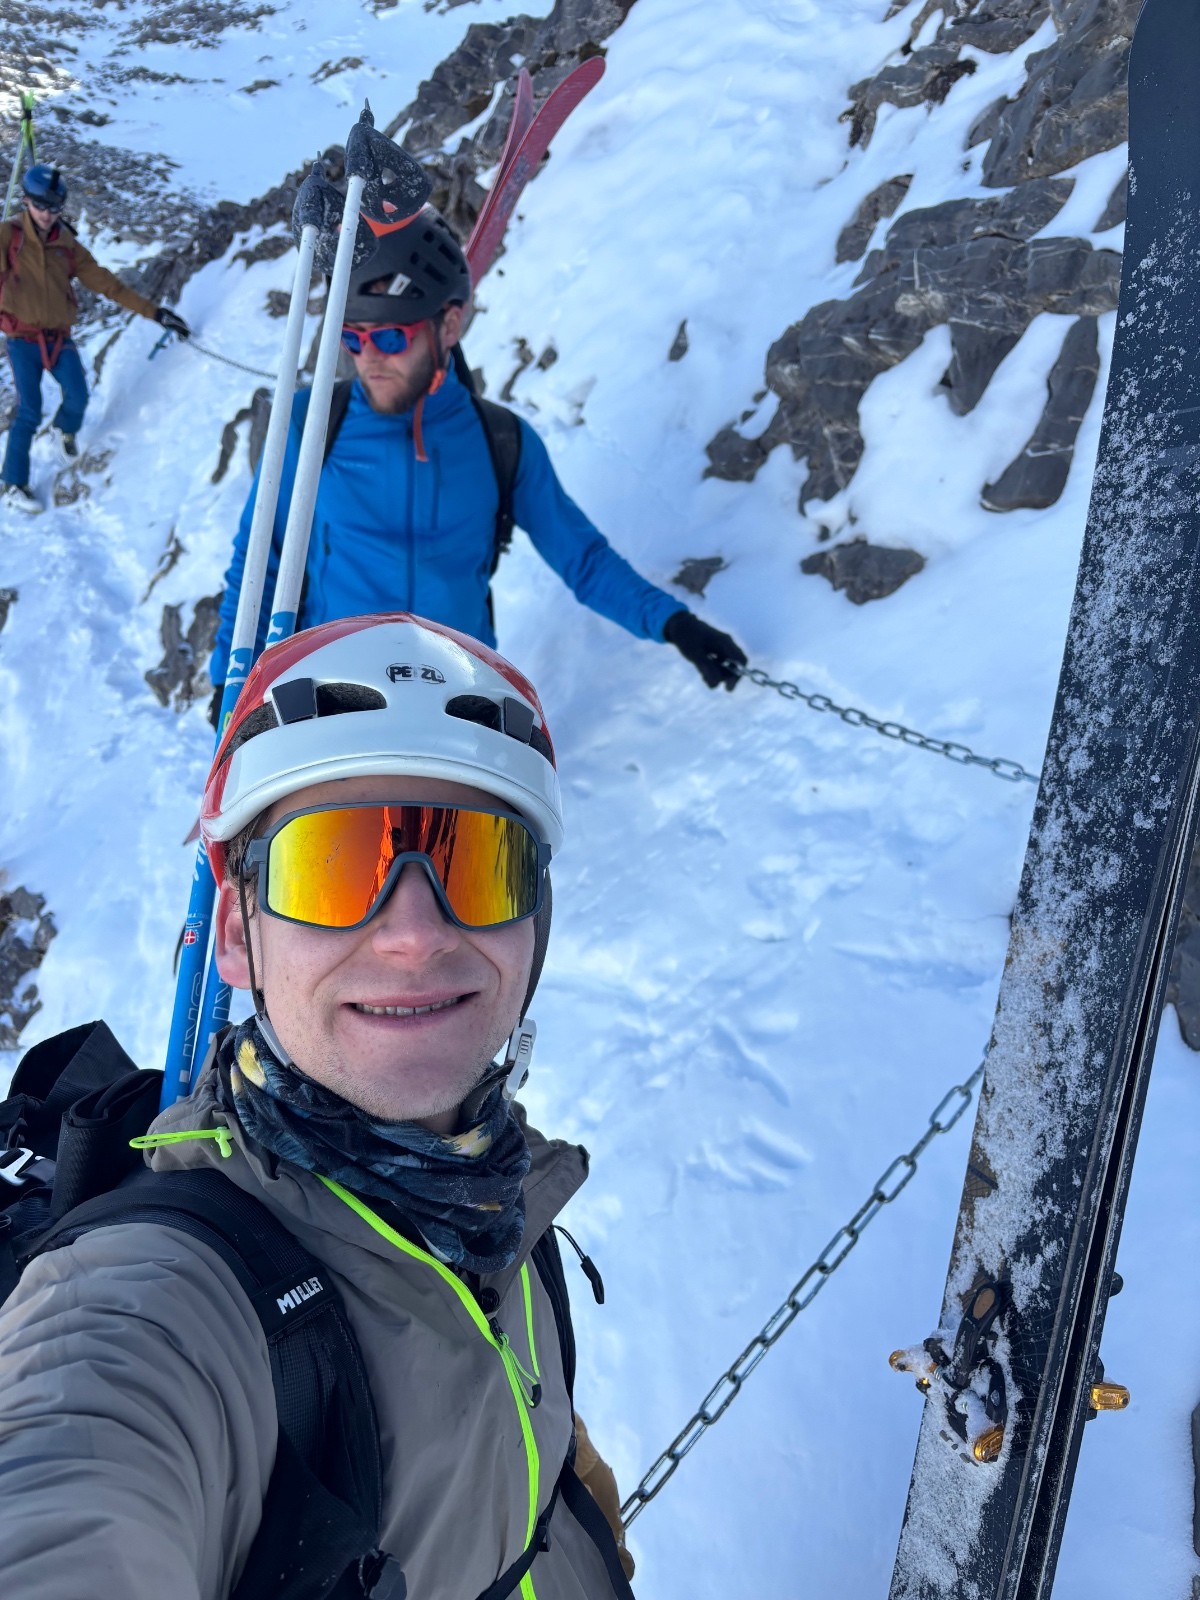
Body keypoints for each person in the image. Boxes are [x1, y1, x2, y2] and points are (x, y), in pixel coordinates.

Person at [0, 611, 637, 1598]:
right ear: (236, 935)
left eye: (474, 860)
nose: (416, 934)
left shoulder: (494, 1198)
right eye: (333, 866)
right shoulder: (159, 1313)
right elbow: (68, 1492)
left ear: (534, 926)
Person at [209, 206, 746, 711]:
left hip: (458, 699)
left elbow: (582, 559)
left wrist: (674, 624)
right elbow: (258, 564)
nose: (368, 359)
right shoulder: (312, 424)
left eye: (392, 337)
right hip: (334, 695)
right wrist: (226, 687)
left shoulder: (501, 441)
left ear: (448, 326)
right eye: (353, 338)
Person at [0, 163, 191, 512]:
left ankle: (64, 429)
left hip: (58, 336)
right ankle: (13, 484)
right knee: (28, 411)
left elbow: (108, 285)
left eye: (54, 207)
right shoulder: (9, 237)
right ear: (26, 201)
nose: (46, 214)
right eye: (40, 205)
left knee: (78, 395)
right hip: (21, 338)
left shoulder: (67, 246)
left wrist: (157, 314)